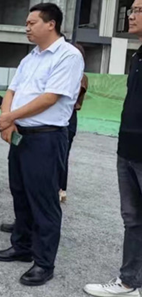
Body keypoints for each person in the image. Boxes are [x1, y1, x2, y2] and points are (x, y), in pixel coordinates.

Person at [0, 3, 84, 287]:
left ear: (51, 24)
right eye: (27, 23)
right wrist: (8, 120)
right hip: (21, 134)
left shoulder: (68, 56)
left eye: (32, 23)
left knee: (43, 200)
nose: (27, 28)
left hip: (46, 137)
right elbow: (12, 90)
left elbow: (50, 98)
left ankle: (44, 262)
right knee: (20, 192)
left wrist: (10, 117)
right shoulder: (30, 57)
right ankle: (22, 246)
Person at [83, 0, 142, 297]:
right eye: (132, 9)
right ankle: (130, 282)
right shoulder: (137, 56)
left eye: (139, 10)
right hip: (128, 149)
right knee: (132, 219)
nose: (131, 15)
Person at [60, 43, 88, 203]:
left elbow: (70, 95)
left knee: (62, 155)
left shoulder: (80, 76)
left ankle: (61, 188)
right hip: (62, 115)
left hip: (69, 116)